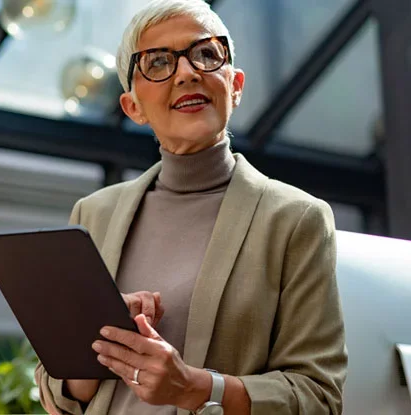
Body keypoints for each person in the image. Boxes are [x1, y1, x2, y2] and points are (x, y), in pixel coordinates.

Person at [33, 1, 347, 414]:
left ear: (234, 85)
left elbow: (319, 398)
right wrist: (101, 349)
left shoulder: (295, 219)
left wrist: (196, 387)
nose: (186, 73)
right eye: (158, 62)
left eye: (206, 54)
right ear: (133, 108)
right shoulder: (92, 215)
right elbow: (60, 393)